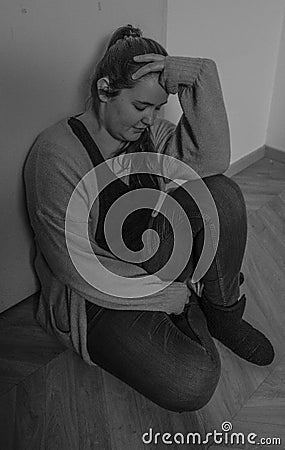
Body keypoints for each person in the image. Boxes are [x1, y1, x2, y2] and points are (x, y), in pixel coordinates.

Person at [24, 24, 274, 413]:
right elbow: (74, 266)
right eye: (141, 106)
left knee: (220, 192)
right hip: (96, 295)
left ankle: (221, 313)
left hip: (152, 259)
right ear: (105, 91)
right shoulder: (56, 154)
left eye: (157, 108)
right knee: (193, 381)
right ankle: (192, 303)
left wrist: (201, 75)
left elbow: (211, 162)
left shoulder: (150, 135)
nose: (150, 118)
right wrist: (165, 297)